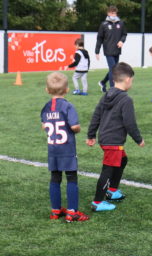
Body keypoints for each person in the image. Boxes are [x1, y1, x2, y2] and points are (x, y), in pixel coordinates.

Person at [86, 62, 145, 212]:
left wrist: (91, 134)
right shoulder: (126, 99)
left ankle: (112, 190)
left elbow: (96, 116)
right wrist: (138, 139)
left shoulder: (107, 95)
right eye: (132, 79)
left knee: (123, 160)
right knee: (108, 169)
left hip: (106, 139)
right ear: (127, 80)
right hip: (113, 141)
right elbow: (129, 123)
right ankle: (98, 201)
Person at [41, 72, 89, 222]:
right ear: (67, 89)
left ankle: (55, 211)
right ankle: (72, 211)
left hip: (53, 149)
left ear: (47, 90)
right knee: (71, 178)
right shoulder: (68, 106)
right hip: (66, 149)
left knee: (55, 178)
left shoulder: (46, 107)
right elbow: (74, 126)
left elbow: (44, 126)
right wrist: (77, 129)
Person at [96, 5, 127, 92]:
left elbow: (124, 34)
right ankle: (113, 88)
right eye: (112, 13)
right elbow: (99, 38)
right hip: (108, 50)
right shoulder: (104, 24)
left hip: (117, 50)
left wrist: (122, 41)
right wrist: (97, 51)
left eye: (115, 13)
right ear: (108, 13)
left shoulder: (121, 23)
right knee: (113, 69)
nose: (114, 15)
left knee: (114, 69)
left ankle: (103, 82)